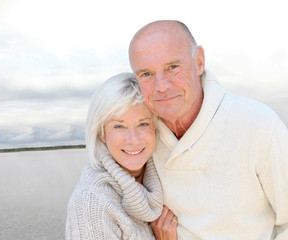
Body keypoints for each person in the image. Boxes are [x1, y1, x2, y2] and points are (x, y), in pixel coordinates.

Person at [128, 20, 288, 239]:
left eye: (173, 67)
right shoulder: (139, 137)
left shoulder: (258, 125)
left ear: (199, 62)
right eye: (146, 74)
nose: (161, 86)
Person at [65, 72, 178, 239]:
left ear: (155, 127)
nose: (133, 139)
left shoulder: (160, 174)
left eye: (143, 123)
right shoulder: (93, 205)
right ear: (102, 133)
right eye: (119, 126)